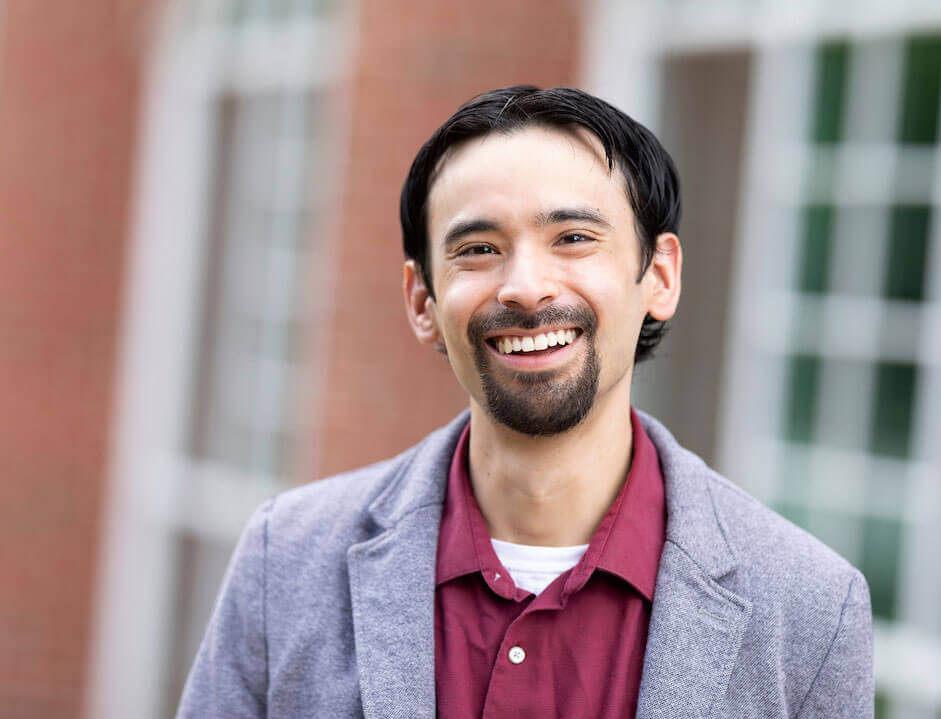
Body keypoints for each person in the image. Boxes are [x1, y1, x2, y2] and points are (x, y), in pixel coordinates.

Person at [177, 86, 874, 718]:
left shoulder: (810, 610)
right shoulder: (285, 561)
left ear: (658, 276)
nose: (526, 287)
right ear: (422, 301)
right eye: (479, 248)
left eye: (573, 238)